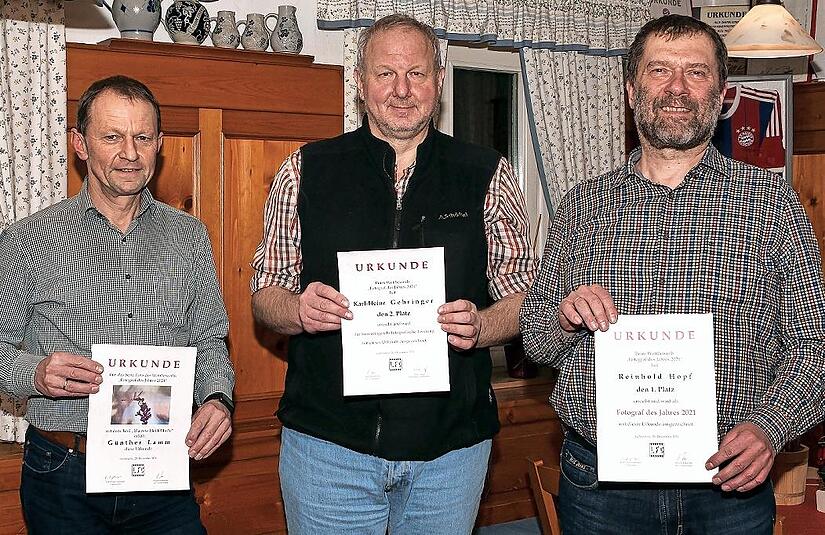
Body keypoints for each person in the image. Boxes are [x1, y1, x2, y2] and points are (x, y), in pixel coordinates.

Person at [520, 14, 825, 534]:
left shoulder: (773, 203)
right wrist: (565, 319)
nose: (678, 87)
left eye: (696, 72)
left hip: (728, 484)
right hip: (601, 489)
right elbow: (537, 340)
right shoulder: (582, 206)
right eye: (660, 70)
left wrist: (771, 428)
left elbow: (813, 347)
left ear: (721, 95)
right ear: (631, 92)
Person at [250, 14, 535, 534]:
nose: (402, 90)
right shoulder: (306, 169)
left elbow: (524, 300)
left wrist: (482, 326)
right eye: (386, 74)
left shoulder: (487, 173)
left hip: (451, 453)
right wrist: (299, 310)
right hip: (328, 450)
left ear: (438, 81)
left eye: (416, 74)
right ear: (361, 83)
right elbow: (265, 293)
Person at [0, 75, 235, 534]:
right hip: (64, 473)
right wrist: (34, 373)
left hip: (163, 472)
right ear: (80, 144)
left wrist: (217, 398)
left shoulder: (189, 237)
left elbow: (210, 339)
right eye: (112, 137)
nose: (130, 153)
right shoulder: (27, 241)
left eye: (142, 138)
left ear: (158, 145)